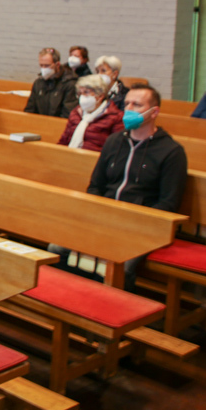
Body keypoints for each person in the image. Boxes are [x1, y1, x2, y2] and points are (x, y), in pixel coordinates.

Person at [68, 85, 188, 289]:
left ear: (154, 112)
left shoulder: (171, 152)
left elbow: (168, 203)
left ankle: (112, 305)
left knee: (119, 266)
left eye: (137, 105)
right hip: (105, 218)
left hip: (141, 225)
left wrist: (132, 222)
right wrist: (99, 213)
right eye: (127, 104)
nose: (129, 109)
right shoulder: (114, 141)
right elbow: (95, 185)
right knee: (59, 249)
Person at [57, 74, 124, 151]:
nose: (82, 97)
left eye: (86, 92)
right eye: (80, 93)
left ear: (100, 96)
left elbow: (115, 148)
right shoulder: (76, 113)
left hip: (94, 156)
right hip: (71, 154)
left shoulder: (116, 117)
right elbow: (64, 140)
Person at [24, 47, 78, 117]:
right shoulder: (38, 83)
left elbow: (68, 113)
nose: (43, 69)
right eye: (41, 65)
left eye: (47, 65)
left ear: (57, 65)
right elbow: (30, 109)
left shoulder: (70, 83)